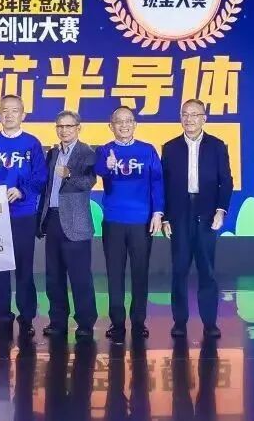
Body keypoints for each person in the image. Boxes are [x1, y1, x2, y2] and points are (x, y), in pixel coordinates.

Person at [0, 95, 47, 338]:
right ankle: (3, 317)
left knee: (24, 268)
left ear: (23, 115)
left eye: (15, 111)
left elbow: (41, 178)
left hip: (23, 214)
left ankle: (27, 318)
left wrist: (22, 191)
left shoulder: (32, 143)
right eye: (5, 110)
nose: (9, 115)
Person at [162, 99, 233, 339]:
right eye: (185, 114)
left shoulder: (217, 146)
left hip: (207, 213)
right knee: (179, 269)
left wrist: (221, 210)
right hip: (179, 214)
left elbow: (226, 181)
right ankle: (179, 322)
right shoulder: (170, 148)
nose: (189, 119)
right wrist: (165, 217)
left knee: (207, 270)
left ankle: (210, 323)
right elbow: (164, 185)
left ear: (204, 118)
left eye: (195, 114)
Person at [94, 106, 165, 342]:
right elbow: (98, 170)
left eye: (128, 121)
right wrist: (108, 167)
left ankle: (138, 322)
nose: (124, 125)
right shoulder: (104, 150)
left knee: (140, 273)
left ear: (134, 124)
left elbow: (157, 183)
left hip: (141, 221)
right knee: (114, 274)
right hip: (113, 221)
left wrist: (157, 213)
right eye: (119, 121)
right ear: (111, 126)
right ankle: (117, 323)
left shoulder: (147, 150)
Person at [37, 110, 98, 340]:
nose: (64, 130)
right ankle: (57, 321)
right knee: (54, 276)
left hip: (76, 223)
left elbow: (89, 182)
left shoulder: (87, 153)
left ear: (78, 128)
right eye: (60, 126)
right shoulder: (52, 153)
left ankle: (85, 323)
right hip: (53, 219)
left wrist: (69, 175)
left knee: (80, 277)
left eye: (69, 126)